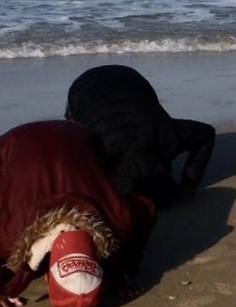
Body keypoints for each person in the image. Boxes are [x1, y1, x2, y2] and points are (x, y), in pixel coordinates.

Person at [0, 120, 156, 307]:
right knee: (0, 204)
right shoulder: (5, 232)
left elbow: (147, 207)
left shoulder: (120, 219)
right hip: (14, 142)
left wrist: (123, 270)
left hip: (80, 135)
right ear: (48, 281)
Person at [65, 64, 216, 209]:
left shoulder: (169, 136)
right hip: (87, 88)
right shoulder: (99, 150)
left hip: (127, 80)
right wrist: (188, 182)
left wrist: (190, 181)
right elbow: (206, 134)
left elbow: (207, 133)